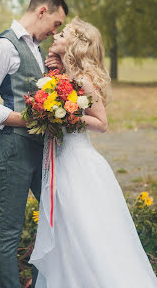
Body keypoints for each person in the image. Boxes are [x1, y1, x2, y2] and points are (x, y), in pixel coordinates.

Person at [29, 17, 157, 287]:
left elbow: (102, 123)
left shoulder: (85, 81)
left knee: (85, 228)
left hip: (79, 164)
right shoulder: (63, 77)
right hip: (61, 160)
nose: (56, 37)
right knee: (67, 228)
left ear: (74, 43)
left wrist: (66, 112)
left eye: (62, 34)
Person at [0, 0, 68, 288]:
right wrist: (28, 118)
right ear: (41, 11)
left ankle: (41, 283)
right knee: (10, 231)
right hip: (13, 146)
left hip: (38, 148)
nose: (55, 32)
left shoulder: (38, 50)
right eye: (55, 23)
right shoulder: (4, 46)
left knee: (54, 221)